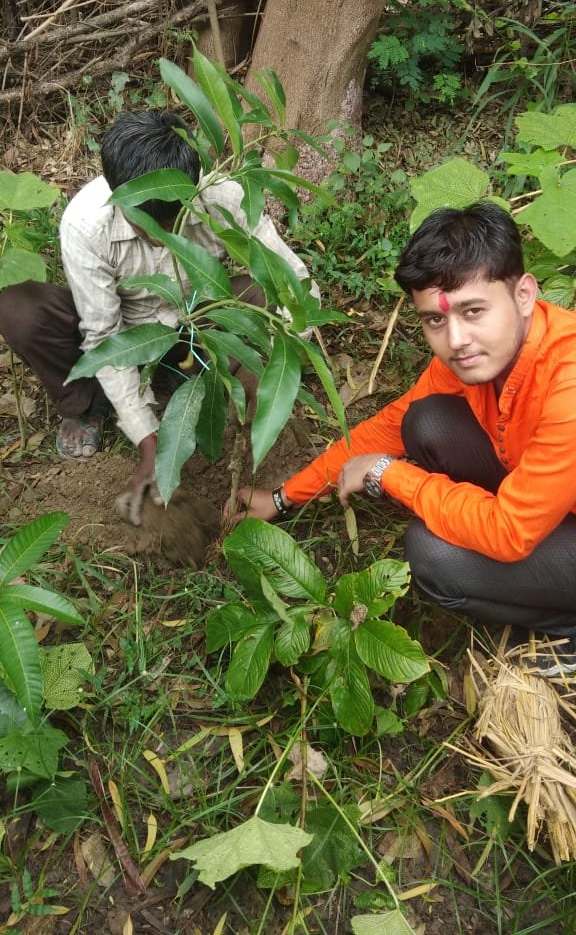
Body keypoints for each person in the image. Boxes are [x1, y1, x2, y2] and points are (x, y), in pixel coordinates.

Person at [230, 201, 576, 678]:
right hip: (552, 500)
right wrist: (283, 497)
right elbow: (390, 427)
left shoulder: (568, 381)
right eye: (436, 320)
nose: (457, 340)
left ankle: (568, 628)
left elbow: (509, 533)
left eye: (474, 311)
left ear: (523, 294)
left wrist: (394, 476)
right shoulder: (481, 355)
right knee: (425, 420)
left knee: (434, 555)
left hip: (532, 521)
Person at [0, 110, 318, 524]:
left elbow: (297, 285)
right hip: (129, 334)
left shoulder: (223, 197)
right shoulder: (85, 224)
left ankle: (220, 397)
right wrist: (150, 443)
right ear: (118, 197)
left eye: (173, 220)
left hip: (200, 327)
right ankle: (85, 404)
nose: (161, 234)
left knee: (261, 292)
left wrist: (276, 373)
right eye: (146, 222)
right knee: (20, 310)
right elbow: (103, 333)